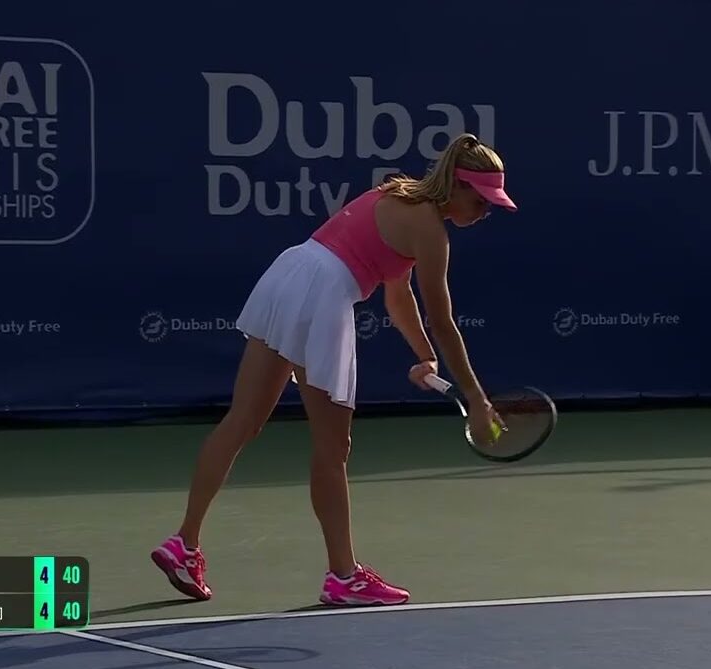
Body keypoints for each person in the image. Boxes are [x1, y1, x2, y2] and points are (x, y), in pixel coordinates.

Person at [150, 132, 516, 606]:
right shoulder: (431, 230)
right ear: (458, 185)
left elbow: (397, 293)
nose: (484, 211)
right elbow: (444, 322)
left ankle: (185, 543)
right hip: (324, 294)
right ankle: (343, 576)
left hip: (288, 274)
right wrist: (479, 400)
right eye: (482, 200)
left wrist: (423, 356)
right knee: (332, 447)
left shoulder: (391, 193)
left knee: (242, 421)